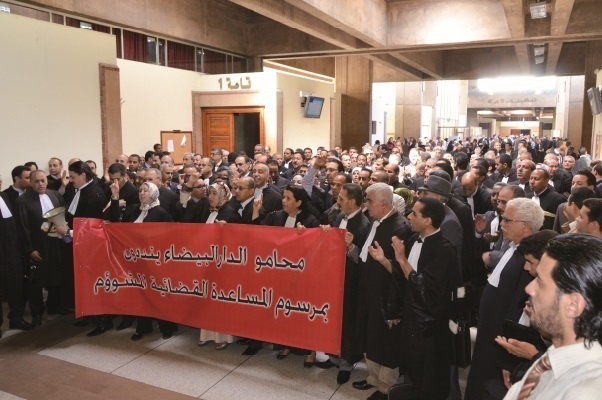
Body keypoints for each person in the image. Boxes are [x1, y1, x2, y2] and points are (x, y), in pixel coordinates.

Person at [372, 197, 460, 399]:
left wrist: (401, 259)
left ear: (428, 220)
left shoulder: (445, 251)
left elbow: (423, 288)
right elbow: (401, 275)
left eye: (414, 214)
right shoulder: (413, 240)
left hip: (430, 328)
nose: (409, 217)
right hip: (410, 322)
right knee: (412, 372)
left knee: (429, 378)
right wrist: (384, 260)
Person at [503, 234, 602, 399]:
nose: (529, 288)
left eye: (540, 282)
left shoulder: (586, 392)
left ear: (573, 305)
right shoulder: (553, 361)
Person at [466, 197, 544, 399]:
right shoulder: (513, 247)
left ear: (525, 226)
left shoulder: (530, 260)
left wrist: (508, 355)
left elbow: (522, 309)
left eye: (507, 220)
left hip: (501, 337)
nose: (501, 223)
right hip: (490, 331)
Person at [352, 183, 411, 400]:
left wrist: (394, 307)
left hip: (387, 295)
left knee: (385, 341)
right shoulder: (375, 221)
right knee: (370, 336)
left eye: (369, 201)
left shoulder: (400, 227)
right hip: (369, 289)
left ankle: (387, 386)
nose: (365, 205)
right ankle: (373, 378)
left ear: (384, 203)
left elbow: (401, 269)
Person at [254, 184, 319, 365]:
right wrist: (256, 211)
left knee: (302, 313)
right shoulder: (277, 216)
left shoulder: (310, 220)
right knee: (284, 311)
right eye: (283, 197)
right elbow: (258, 234)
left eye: (288, 198)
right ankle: (286, 344)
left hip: (302, 275)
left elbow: (316, 247)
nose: (283, 200)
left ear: (299, 202)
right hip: (280, 273)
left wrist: (305, 236)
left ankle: (310, 350)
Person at [315, 183, 370, 384]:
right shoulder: (338, 218)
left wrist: (351, 246)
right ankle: (332, 355)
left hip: (351, 282)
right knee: (333, 317)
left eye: (341, 199)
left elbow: (363, 259)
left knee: (348, 322)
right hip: (333, 278)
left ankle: (346, 362)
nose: (337, 203)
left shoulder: (364, 225)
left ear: (353, 202)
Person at [109, 181, 177, 340]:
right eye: (140, 190)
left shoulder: (161, 213)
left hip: (154, 262)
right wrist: (115, 196)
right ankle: (143, 327)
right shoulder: (133, 210)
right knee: (140, 295)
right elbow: (115, 219)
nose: (141, 193)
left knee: (158, 295)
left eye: (145, 191)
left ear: (153, 193)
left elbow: (172, 236)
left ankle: (167, 327)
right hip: (135, 261)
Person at [15, 169, 68, 327]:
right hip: (38, 246)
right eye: (36, 181)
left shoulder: (54, 195)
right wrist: (30, 250)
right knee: (36, 283)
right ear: (30, 183)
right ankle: (37, 313)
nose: (40, 184)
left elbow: (62, 215)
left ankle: (54, 307)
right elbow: (23, 227)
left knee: (56, 276)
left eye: (43, 180)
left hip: (56, 244)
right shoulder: (23, 201)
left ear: (47, 181)